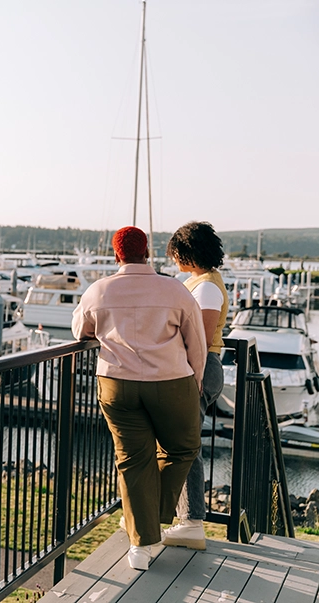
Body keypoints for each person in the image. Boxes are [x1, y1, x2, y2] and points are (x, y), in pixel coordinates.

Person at [72, 226, 207, 571]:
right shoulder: (174, 289)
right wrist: (197, 380)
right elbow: (197, 342)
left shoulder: (98, 291)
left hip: (116, 382)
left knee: (132, 459)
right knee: (184, 447)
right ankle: (152, 519)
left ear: (117, 255)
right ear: (146, 252)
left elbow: (80, 331)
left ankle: (141, 539)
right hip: (171, 379)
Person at [163, 221, 228, 550]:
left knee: (186, 446)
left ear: (188, 252)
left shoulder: (205, 287)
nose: (174, 259)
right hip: (199, 368)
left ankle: (190, 522)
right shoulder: (201, 282)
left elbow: (198, 340)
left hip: (199, 369)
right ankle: (182, 518)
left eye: (176, 253)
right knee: (183, 443)